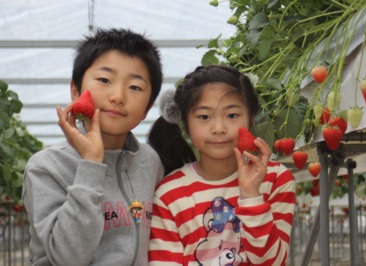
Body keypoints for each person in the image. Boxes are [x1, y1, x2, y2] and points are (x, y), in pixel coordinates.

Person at [22, 28, 164, 266]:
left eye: (135, 87)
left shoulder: (151, 162)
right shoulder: (46, 167)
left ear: (147, 109)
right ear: (76, 91)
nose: (118, 96)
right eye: (104, 80)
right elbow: (67, 258)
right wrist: (91, 163)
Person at [147, 65, 296, 265]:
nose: (218, 128)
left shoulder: (275, 179)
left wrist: (251, 195)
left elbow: (271, 261)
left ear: (251, 120)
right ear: (186, 126)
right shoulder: (169, 195)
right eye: (204, 117)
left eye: (232, 115)